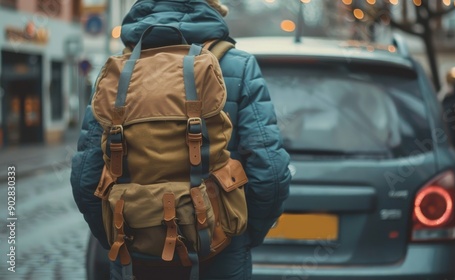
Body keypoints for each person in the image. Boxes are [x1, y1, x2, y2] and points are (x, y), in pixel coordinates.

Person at [70, 0, 292, 279]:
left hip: (133, 254)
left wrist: (123, 233)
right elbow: (270, 172)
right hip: (219, 253)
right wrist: (241, 236)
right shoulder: (238, 64)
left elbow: (84, 179)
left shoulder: (116, 71)